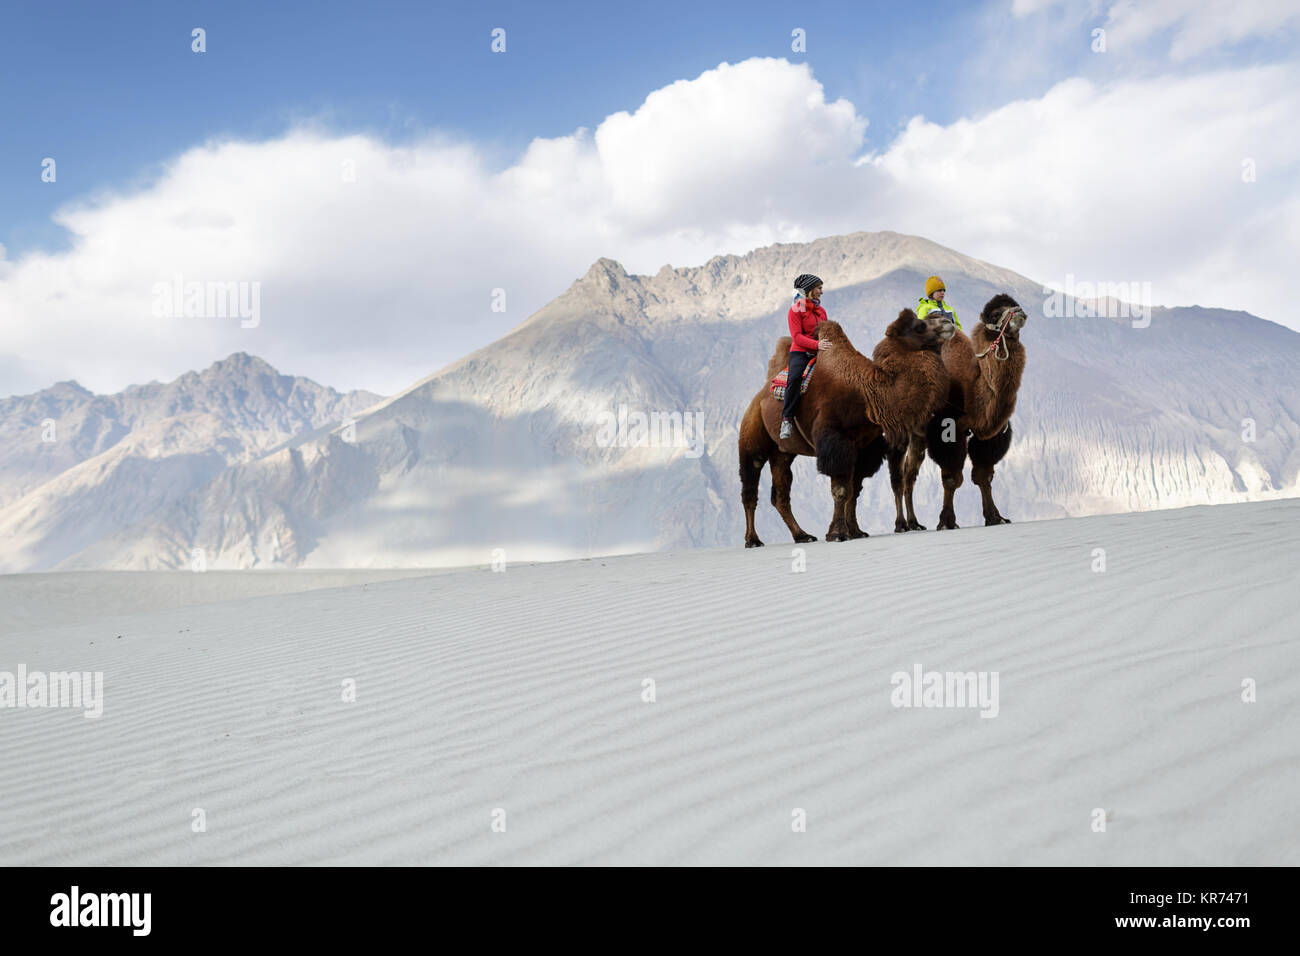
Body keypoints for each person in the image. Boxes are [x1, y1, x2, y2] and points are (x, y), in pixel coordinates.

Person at [780, 273, 832, 439]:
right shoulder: (795, 310)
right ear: (809, 290)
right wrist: (816, 345)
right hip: (801, 352)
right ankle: (787, 420)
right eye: (819, 288)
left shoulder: (821, 310)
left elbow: (825, 332)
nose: (822, 292)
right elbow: (797, 337)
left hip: (821, 351)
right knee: (794, 378)